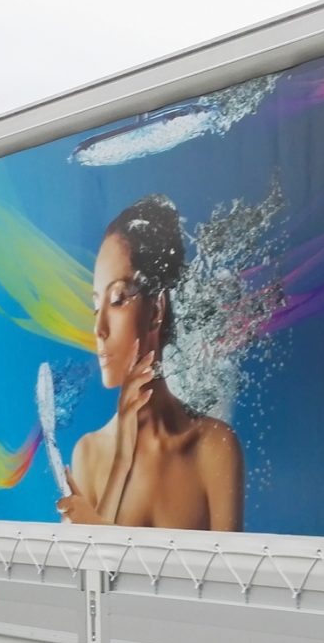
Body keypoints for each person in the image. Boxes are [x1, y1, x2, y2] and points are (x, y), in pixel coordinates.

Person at [57, 195, 244, 531]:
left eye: (117, 300)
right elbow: (88, 578)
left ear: (156, 310)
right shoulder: (88, 453)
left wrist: (96, 527)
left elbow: (230, 581)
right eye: (95, 306)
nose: (99, 330)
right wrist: (122, 458)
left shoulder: (213, 447)